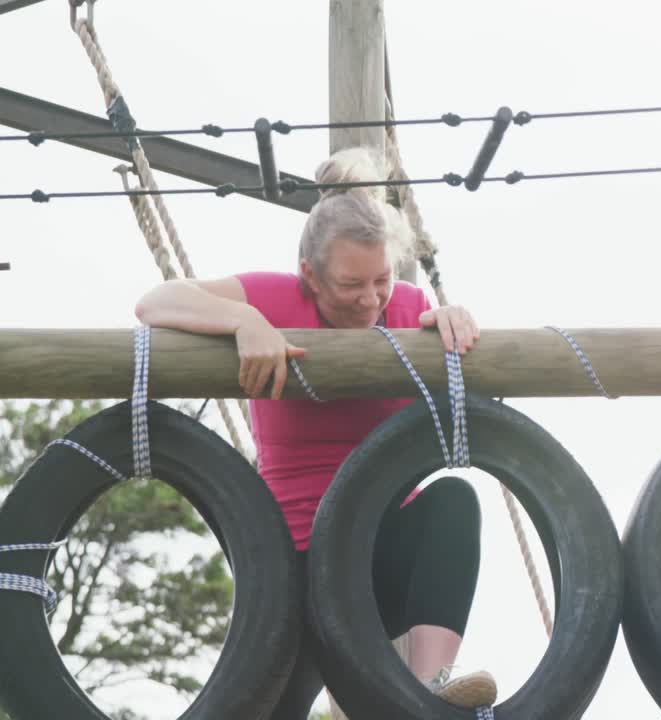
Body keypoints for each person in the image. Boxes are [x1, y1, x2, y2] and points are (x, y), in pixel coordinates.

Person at [134, 147, 497, 717]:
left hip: (381, 550)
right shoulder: (276, 297)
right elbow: (155, 302)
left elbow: (449, 347)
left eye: (381, 279)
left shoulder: (407, 305)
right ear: (311, 274)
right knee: (276, 704)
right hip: (295, 563)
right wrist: (244, 320)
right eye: (352, 284)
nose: (371, 298)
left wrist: (454, 319)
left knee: (454, 500)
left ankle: (429, 688)